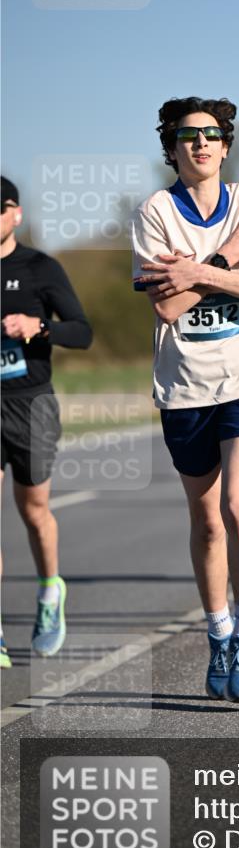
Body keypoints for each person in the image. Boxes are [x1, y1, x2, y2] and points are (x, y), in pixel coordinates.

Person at [131, 97, 239, 702]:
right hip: (184, 385)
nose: (198, 143)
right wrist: (228, 259)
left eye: (209, 134)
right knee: (205, 520)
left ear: (226, 145)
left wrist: (195, 272)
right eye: (185, 135)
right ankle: (219, 632)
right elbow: (167, 308)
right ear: (170, 147)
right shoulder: (154, 213)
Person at [1, 176, 93, 667]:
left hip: (30, 402)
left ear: (15, 213)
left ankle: (49, 594)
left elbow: (82, 332)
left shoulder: (40, 268)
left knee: (34, 509)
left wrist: (37, 328)